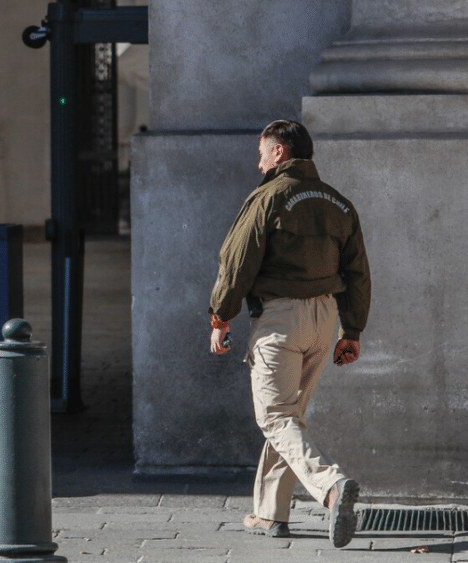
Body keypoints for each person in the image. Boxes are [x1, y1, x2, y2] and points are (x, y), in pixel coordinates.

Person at [208, 120, 371, 548]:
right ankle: (269, 513)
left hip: (280, 320)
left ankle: (331, 486)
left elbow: (236, 261)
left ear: (280, 153)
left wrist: (221, 317)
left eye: (262, 151)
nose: (258, 160)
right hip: (325, 319)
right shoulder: (339, 203)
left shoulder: (268, 197)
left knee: (276, 417)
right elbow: (358, 272)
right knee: (289, 419)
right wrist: (351, 330)